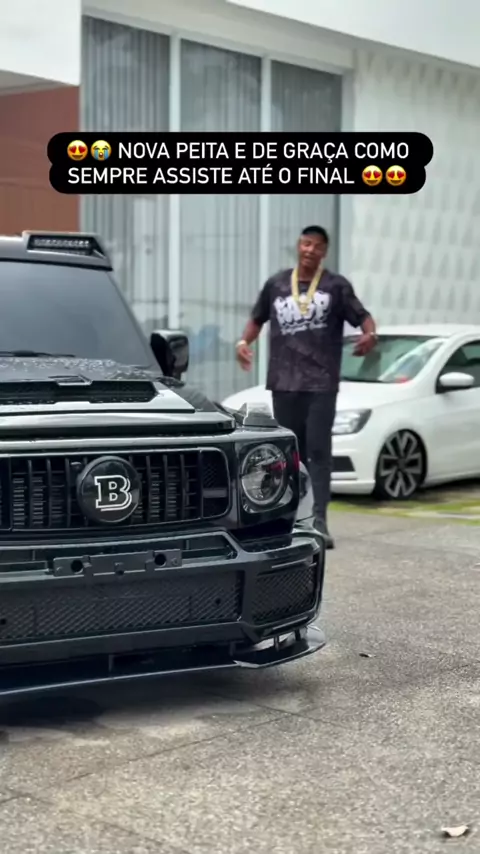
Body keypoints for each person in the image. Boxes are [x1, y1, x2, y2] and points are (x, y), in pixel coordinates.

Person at [235, 225, 377, 549]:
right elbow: (257, 318)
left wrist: (371, 334)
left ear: (324, 251)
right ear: (299, 246)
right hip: (284, 382)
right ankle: (284, 518)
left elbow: (363, 317)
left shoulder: (336, 286)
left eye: (317, 246)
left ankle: (319, 521)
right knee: (287, 454)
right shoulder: (276, 284)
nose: (310, 249)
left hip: (320, 383)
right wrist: (243, 342)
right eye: (306, 243)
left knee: (318, 452)